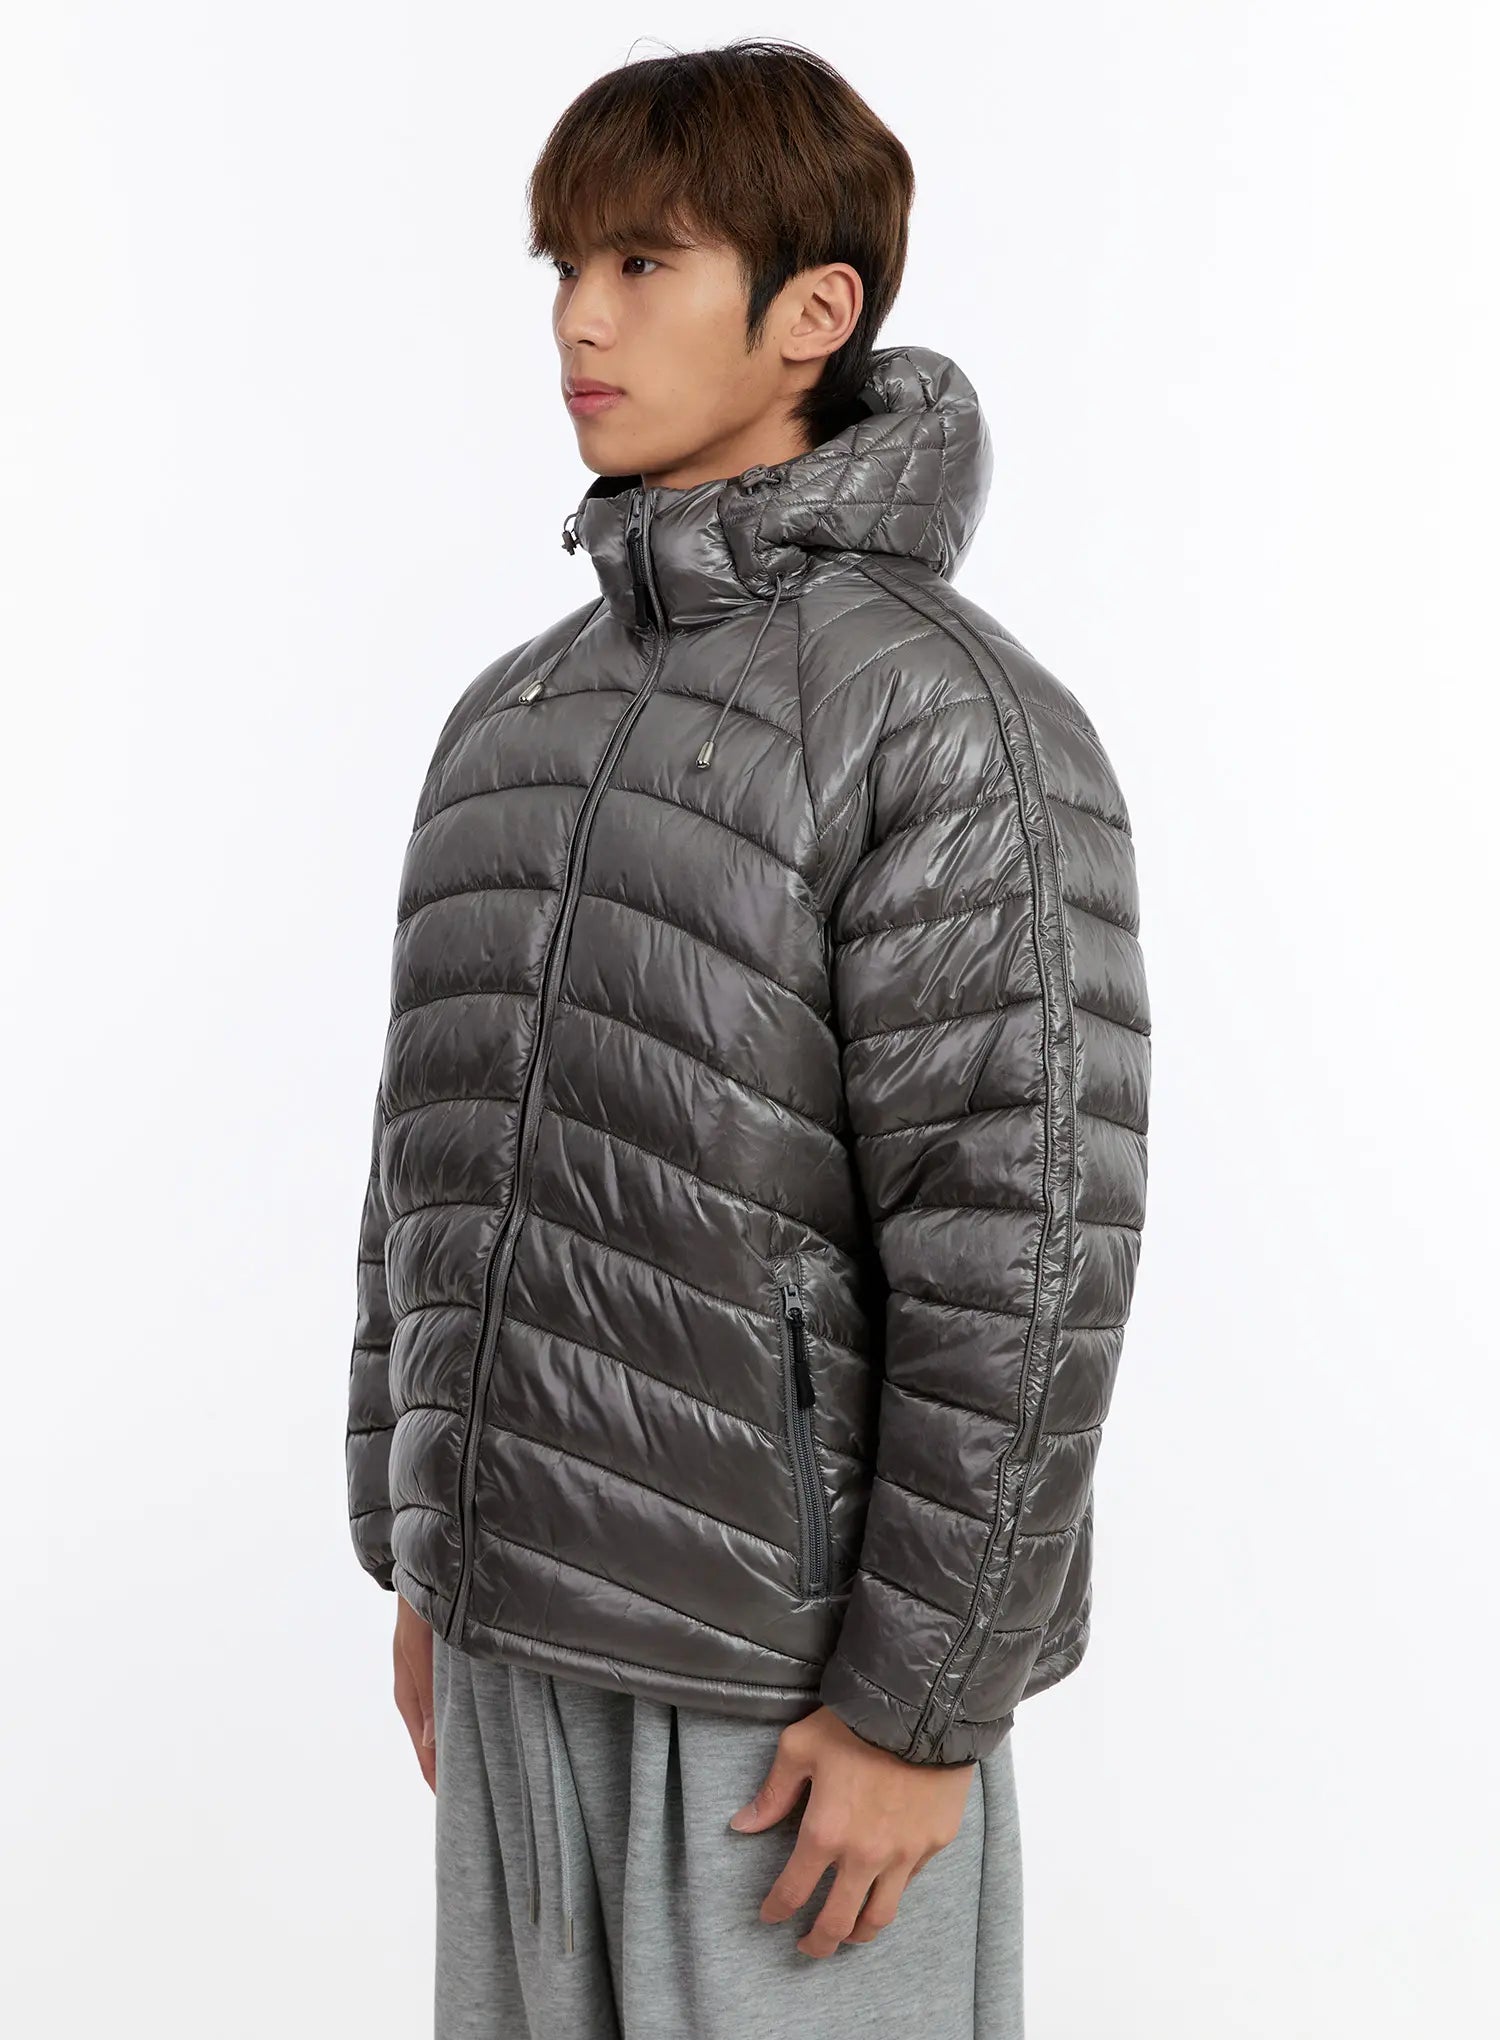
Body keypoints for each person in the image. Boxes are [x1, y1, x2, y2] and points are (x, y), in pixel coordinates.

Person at [344, 37, 1150, 2040]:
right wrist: (425, 1547)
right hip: (515, 1633)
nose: (580, 320)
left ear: (813, 312)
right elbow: (421, 1175)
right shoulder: (512, 713)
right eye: (564, 267)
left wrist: (920, 1706)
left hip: (787, 1698)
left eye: (642, 263)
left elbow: (1026, 1246)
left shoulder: (943, 717)